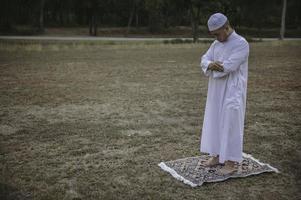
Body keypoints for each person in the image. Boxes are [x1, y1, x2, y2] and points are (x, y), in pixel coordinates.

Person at [199, 13, 249, 174]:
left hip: (233, 90)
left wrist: (212, 66)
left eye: (217, 34)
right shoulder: (216, 44)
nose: (216, 38)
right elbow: (204, 59)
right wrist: (210, 64)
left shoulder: (241, 44)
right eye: (213, 35)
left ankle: (231, 162)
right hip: (216, 89)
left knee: (230, 123)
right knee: (215, 120)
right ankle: (216, 155)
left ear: (226, 28)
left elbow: (228, 67)